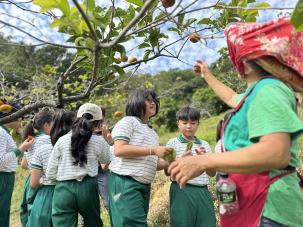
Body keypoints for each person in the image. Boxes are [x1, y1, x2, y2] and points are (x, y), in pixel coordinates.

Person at [169, 17, 303, 227]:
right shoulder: (256, 94)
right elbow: (232, 97)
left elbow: (276, 152)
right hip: (254, 206)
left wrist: (205, 161)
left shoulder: (268, 89)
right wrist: (207, 75)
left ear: (247, 63)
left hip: (269, 208)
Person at [108, 88, 172, 227]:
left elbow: (150, 163)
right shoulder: (127, 122)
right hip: (125, 181)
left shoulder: (152, 132)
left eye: (154, 100)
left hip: (143, 185)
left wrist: (169, 162)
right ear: (136, 102)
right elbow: (119, 149)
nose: (153, 103)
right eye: (148, 100)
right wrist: (153, 150)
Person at [46, 103, 111, 227]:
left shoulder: (62, 140)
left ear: (77, 119)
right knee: (93, 223)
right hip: (88, 188)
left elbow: (50, 173)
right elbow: (106, 160)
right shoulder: (99, 141)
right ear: (98, 123)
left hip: (64, 189)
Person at [166, 106, 216, 227]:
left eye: (193, 123)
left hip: (202, 190)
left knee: (207, 222)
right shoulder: (172, 143)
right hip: (181, 189)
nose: (189, 126)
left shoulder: (204, 145)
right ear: (178, 123)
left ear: (198, 124)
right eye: (185, 123)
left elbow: (212, 173)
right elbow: (167, 172)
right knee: (182, 222)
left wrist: (204, 160)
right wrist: (181, 161)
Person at [27, 109, 76, 227]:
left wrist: (44, 180)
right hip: (68, 191)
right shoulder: (75, 146)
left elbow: (33, 183)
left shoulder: (42, 149)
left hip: (47, 194)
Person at [0, 100, 35, 227]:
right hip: (2, 177)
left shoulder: (4, 131)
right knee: (2, 213)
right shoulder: (1, 132)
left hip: (5, 177)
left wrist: (21, 132)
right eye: (19, 115)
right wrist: (21, 148)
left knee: (3, 212)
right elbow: (0, 161)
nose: (21, 119)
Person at [20, 108, 54, 227]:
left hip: (31, 180)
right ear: (46, 124)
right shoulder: (49, 140)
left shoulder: (30, 139)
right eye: (53, 123)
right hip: (43, 182)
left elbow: (23, 164)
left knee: (30, 216)